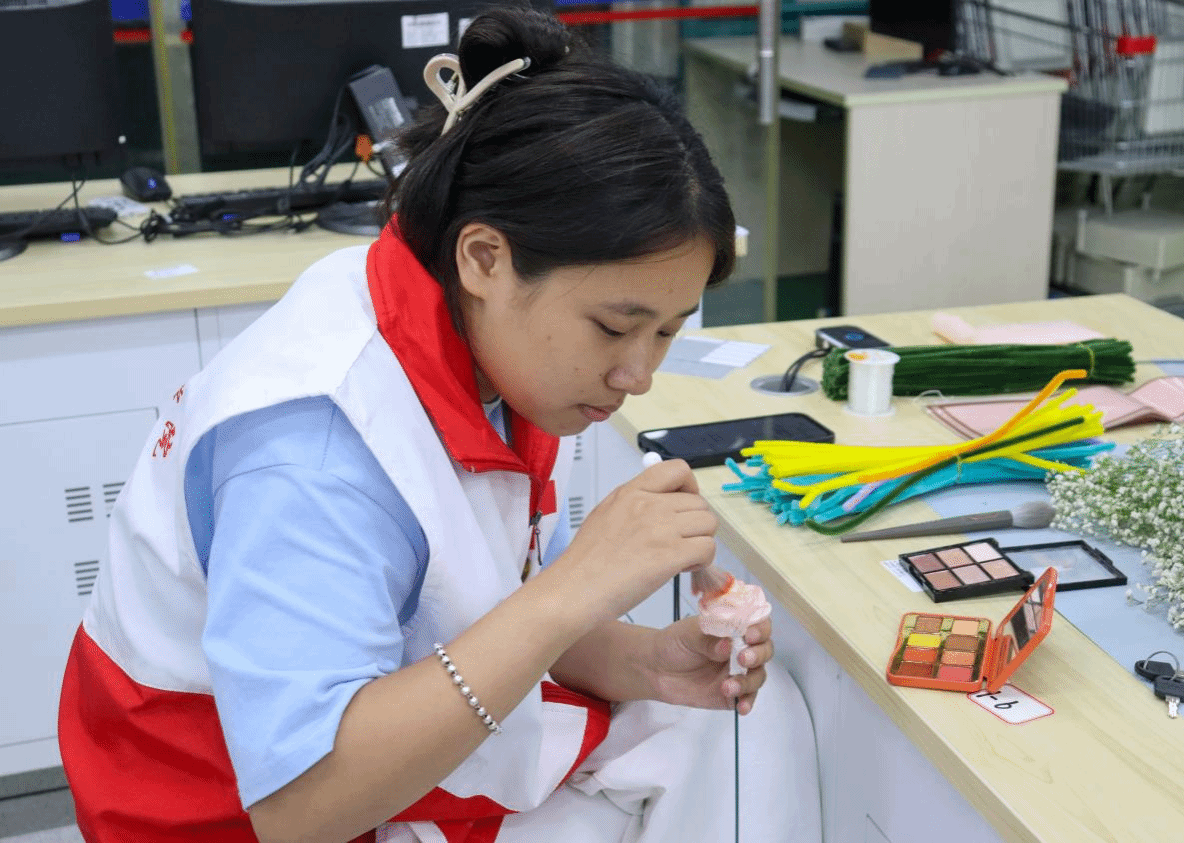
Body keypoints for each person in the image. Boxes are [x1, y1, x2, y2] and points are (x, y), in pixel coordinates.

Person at [57, 6, 821, 842]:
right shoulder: (315, 449)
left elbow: (484, 606)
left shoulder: (478, 338)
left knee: (743, 718)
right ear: (484, 257)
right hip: (233, 809)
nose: (637, 375)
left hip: (376, 734)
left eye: (667, 332)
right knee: (722, 750)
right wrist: (575, 588)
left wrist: (647, 662)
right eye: (613, 327)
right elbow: (299, 807)